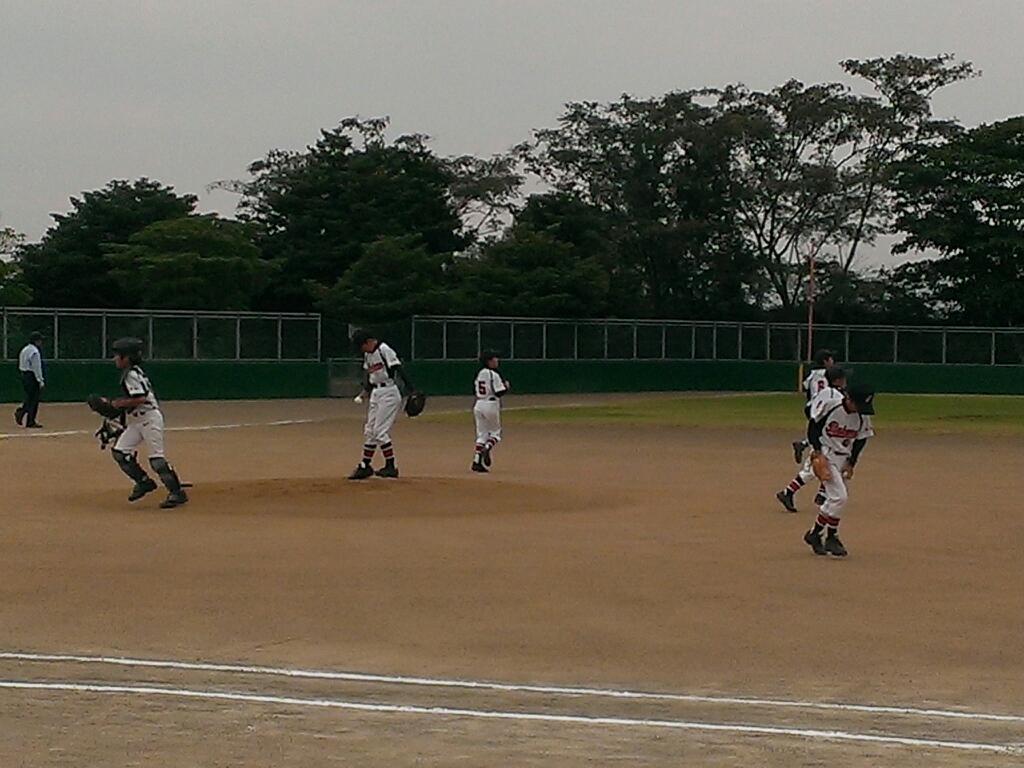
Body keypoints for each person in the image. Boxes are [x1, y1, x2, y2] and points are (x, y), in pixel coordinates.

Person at [101, 337, 188, 508]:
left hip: (149, 419)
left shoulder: (131, 375)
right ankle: (143, 482)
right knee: (120, 452)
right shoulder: (133, 372)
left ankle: (177, 493)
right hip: (138, 420)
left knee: (156, 460)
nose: (115, 359)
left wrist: (116, 404)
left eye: (118, 355)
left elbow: (140, 398)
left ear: (126, 357)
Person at [802, 379, 876, 557]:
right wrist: (817, 451)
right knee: (840, 497)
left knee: (832, 500)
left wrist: (851, 462)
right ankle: (831, 536)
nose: (860, 409)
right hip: (826, 454)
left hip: (843, 458)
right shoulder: (831, 406)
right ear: (848, 398)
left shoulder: (861, 415)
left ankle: (814, 533)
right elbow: (813, 427)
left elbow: (861, 439)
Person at [775, 364, 847, 513]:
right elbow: (817, 420)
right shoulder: (836, 397)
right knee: (817, 468)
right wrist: (816, 442)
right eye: (843, 377)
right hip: (824, 441)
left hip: (823, 438)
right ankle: (793, 493)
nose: (845, 379)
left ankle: (816, 493)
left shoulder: (825, 393)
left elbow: (809, 409)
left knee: (823, 468)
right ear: (837, 380)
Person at [348, 329, 415, 480]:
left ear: (369, 341)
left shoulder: (384, 350)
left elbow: (399, 369)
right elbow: (371, 377)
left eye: (362, 346)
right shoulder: (368, 355)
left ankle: (391, 466)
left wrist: (412, 390)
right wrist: (364, 392)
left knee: (380, 431)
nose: (361, 349)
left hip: (389, 393)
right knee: (370, 431)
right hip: (376, 393)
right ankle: (365, 466)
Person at [790, 349, 835, 464]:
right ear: (825, 361)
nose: (832, 361)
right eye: (830, 359)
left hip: (811, 406)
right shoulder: (828, 374)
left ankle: (803, 444)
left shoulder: (812, 374)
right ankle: (816, 459)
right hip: (822, 406)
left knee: (819, 431)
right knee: (824, 432)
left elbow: (806, 386)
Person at [471, 351, 509, 473]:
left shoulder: (479, 374)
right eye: (494, 358)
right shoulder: (493, 374)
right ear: (489, 361)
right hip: (490, 404)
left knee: (482, 435)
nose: (497, 360)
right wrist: (506, 387)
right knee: (495, 434)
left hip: (478, 404)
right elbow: (498, 392)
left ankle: (476, 462)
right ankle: (487, 448)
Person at [14, 331, 46, 428]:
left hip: (24, 374)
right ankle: (28, 419)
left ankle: (23, 413)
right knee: (34, 399)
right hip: (32, 376)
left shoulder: (25, 349)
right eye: (39, 340)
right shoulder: (35, 352)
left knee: (30, 397)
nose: (40, 342)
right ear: (36, 341)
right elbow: (36, 367)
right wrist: (40, 380)